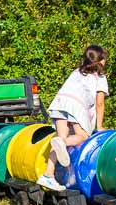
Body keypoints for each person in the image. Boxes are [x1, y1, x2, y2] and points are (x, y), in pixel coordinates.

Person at [37, 45, 109, 191]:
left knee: (60, 140)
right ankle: (62, 142)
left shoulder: (77, 72)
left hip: (59, 103)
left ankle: (47, 175)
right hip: (75, 106)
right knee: (82, 136)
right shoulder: (99, 77)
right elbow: (99, 103)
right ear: (100, 61)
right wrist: (99, 126)